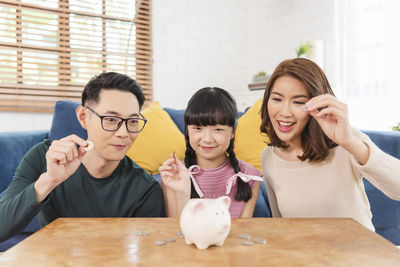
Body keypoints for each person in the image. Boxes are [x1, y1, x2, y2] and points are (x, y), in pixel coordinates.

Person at [0, 72, 163, 242]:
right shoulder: (44, 157)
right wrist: (49, 180)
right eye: (111, 119)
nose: (123, 133)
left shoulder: (145, 189)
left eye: (133, 121)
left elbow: (146, 252)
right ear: (83, 117)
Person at [259, 58, 400, 231]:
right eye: (277, 99)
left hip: (358, 253)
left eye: (298, 102)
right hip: (308, 255)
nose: (284, 112)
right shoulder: (268, 157)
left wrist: (349, 142)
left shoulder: (345, 141)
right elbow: (281, 225)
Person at [159, 87, 262, 218]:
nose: (207, 139)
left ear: (233, 132)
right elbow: (176, 232)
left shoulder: (250, 177)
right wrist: (182, 193)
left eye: (218, 129)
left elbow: (244, 233)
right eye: (197, 128)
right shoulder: (173, 176)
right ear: (187, 130)